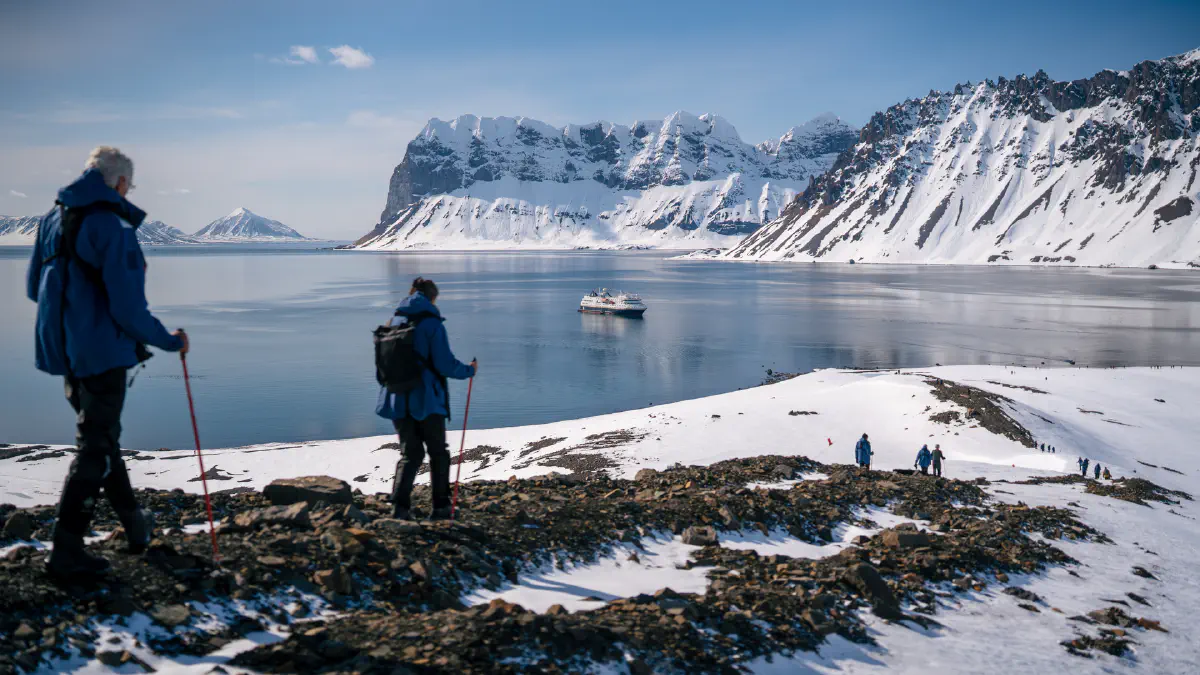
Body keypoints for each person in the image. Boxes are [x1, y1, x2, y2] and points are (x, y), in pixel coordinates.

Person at [26, 147, 189, 577]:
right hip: (101, 355)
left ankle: (135, 525)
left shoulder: (50, 220)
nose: (128, 192)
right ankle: (66, 550)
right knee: (95, 448)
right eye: (129, 186)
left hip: (65, 352)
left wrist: (75, 316)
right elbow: (128, 308)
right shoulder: (112, 226)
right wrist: (170, 341)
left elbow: (33, 287)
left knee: (102, 438)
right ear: (118, 183)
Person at [376, 277, 476, 521]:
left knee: (410, 454)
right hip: (426, 400)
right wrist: (469, 370)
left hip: (396, 398)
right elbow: (445, 364)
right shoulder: (431, 324)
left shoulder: (394, 321)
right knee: (438, 452)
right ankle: (440, 508)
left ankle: (399, 508)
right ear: (433, 298)